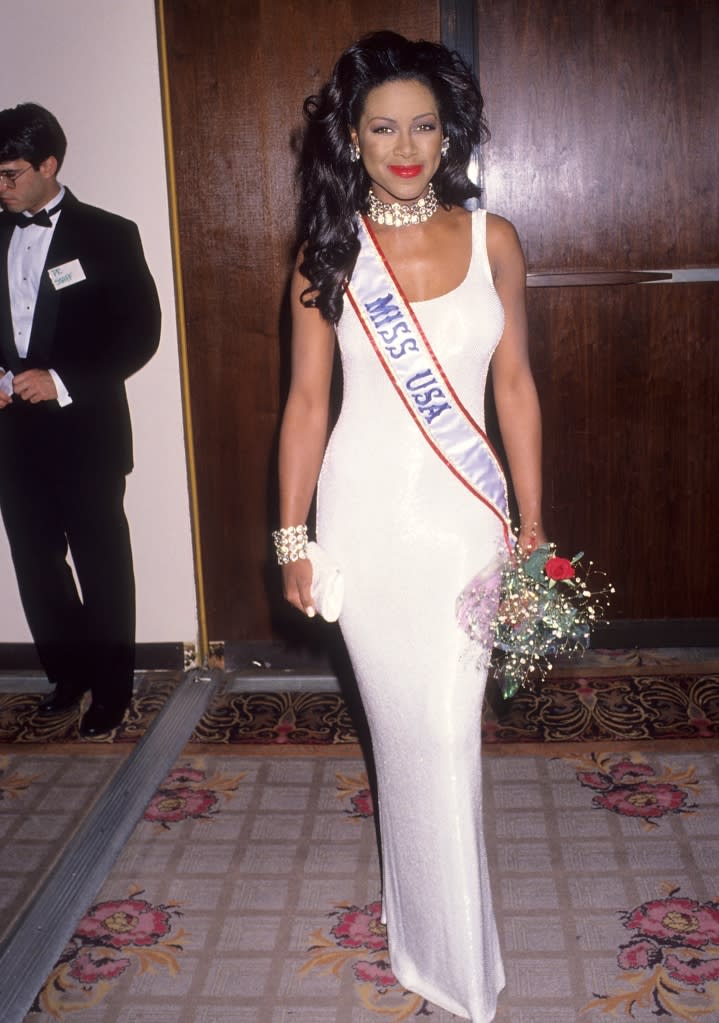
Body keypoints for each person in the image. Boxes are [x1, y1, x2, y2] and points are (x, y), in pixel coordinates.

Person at [276, 32, 546, 1022]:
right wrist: (291, 539)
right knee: (406, 736)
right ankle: (430, 941)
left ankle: (445, 955)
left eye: (422, 124)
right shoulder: (328, 249)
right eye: (381, 126)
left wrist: (529, 521)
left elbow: (513, 386)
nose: (404, 144)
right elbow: (307, 405)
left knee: (444, 732)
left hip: (462, 522)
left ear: (447, 134)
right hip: (365, 523)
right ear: (349, 138)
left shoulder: (494, 241)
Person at [0, 102, 160, 737]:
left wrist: (63, 380)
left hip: (86, 429)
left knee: (102, 565)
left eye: (11, 174)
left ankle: (113, 690)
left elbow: (140, 334)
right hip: (12, 436)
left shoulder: (109, 233)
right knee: (36, 567)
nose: (1, 186)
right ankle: (68, 677)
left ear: (49, 165)